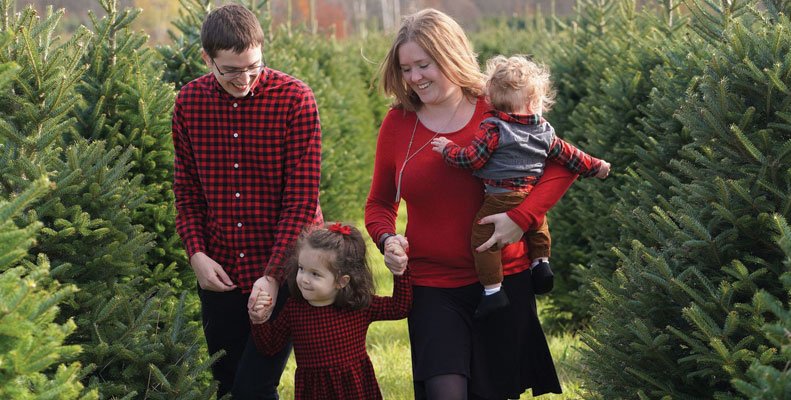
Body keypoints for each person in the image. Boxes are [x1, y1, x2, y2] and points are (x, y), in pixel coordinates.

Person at [366, 8, 576, 400]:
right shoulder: (398, 124)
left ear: (451, 55)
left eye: (424, 65)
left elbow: (562, 167)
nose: (414, 77)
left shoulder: (497, 106)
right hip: (432, 285)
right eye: (406, 68)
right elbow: (379, 202)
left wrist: (519, 218)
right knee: (446, 391)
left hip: (503, 280)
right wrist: (387, 240)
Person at [170, 3, 322, 398]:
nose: (245, 78)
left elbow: (302, 201)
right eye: (231, 70)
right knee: (228, 385)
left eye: (253, 65)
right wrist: (196, 255)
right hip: (219, 272)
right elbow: (186, 191)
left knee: (255, 387)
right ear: (207, 59)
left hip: (285, 266)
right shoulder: (189, 104)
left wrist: (273, 276)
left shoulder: (295, 100)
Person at [429, 55, 611, 318]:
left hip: (499, 197)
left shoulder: (493, 128)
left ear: (492, 99)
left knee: (483, 241)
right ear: (533, 101)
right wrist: (598, 166)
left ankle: (493, 291)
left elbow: (471, 159)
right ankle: (541, 263)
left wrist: (448, 149)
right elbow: (571, 156)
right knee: (537, 226)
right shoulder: (545, 130)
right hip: (530, 197)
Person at [249, 223, 412, 400]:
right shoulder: (294, 309)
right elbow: (270, 346)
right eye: (302, 268)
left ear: (341, 281)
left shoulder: (356, 306)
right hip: (314, 391)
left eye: (315, 274)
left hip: (353, 389)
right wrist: (259, 320)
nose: (304, 279)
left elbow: (399, 308)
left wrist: (400, 272)